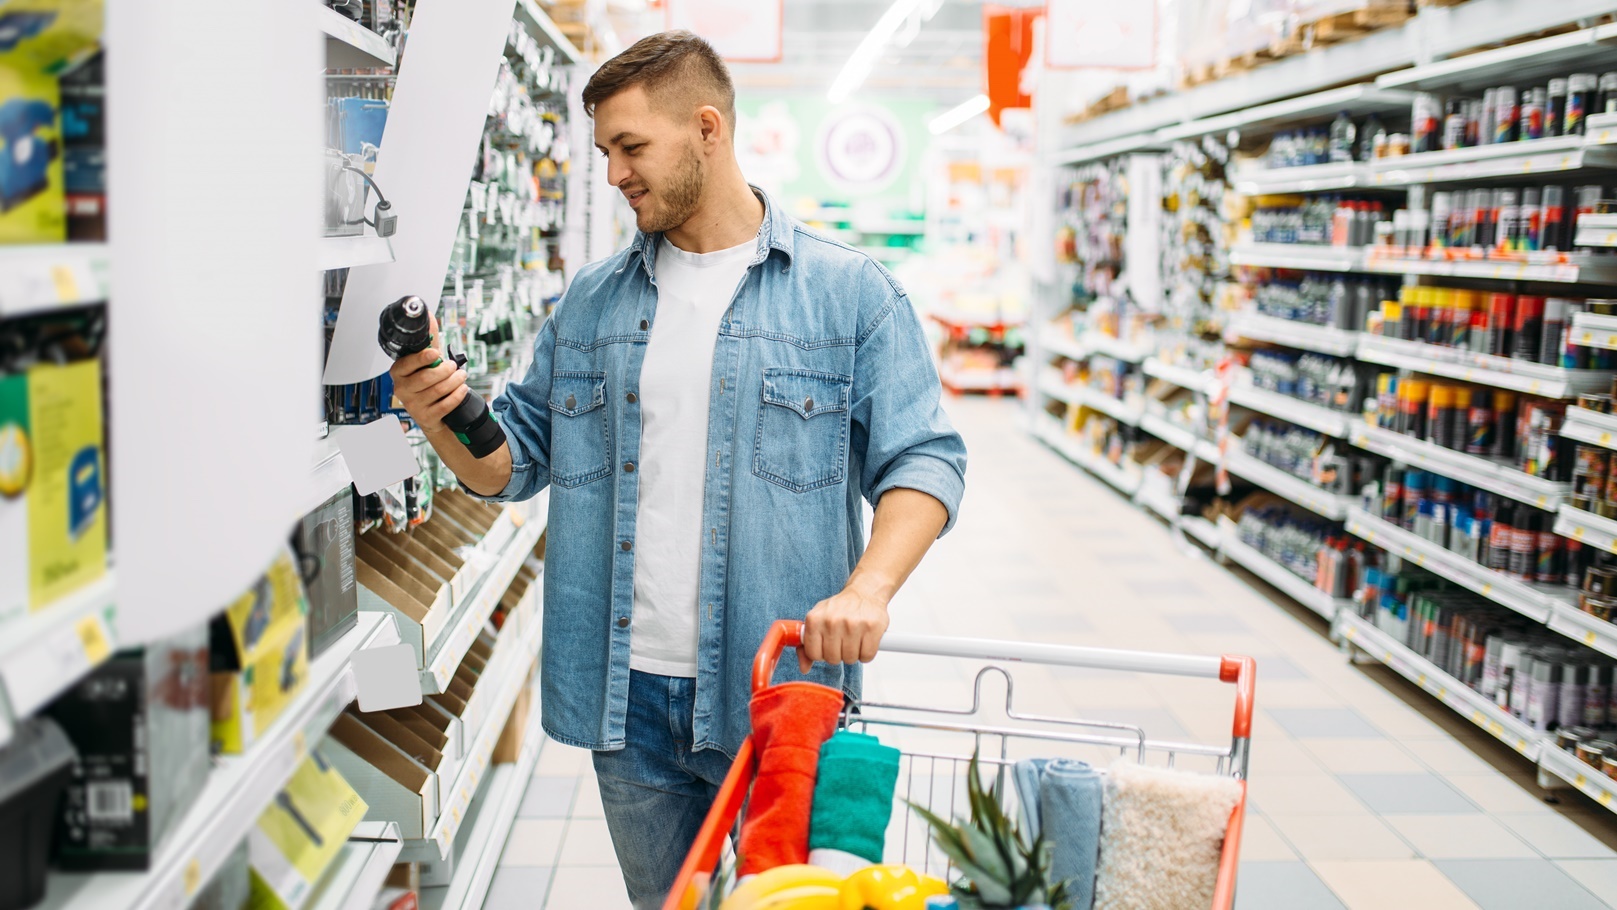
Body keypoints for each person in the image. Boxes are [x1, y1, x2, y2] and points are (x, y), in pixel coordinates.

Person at [389, 30, 967, 908]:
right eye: (604, 153)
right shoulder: (592, 300)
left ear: (707, 128)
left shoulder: (847, 293)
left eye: (631, 147)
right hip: (626, 701)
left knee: (792, 902)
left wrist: (869, 590)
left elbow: (923, 458)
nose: (614, 174)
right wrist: (443, 411)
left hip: (778, 691)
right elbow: (512, 465)